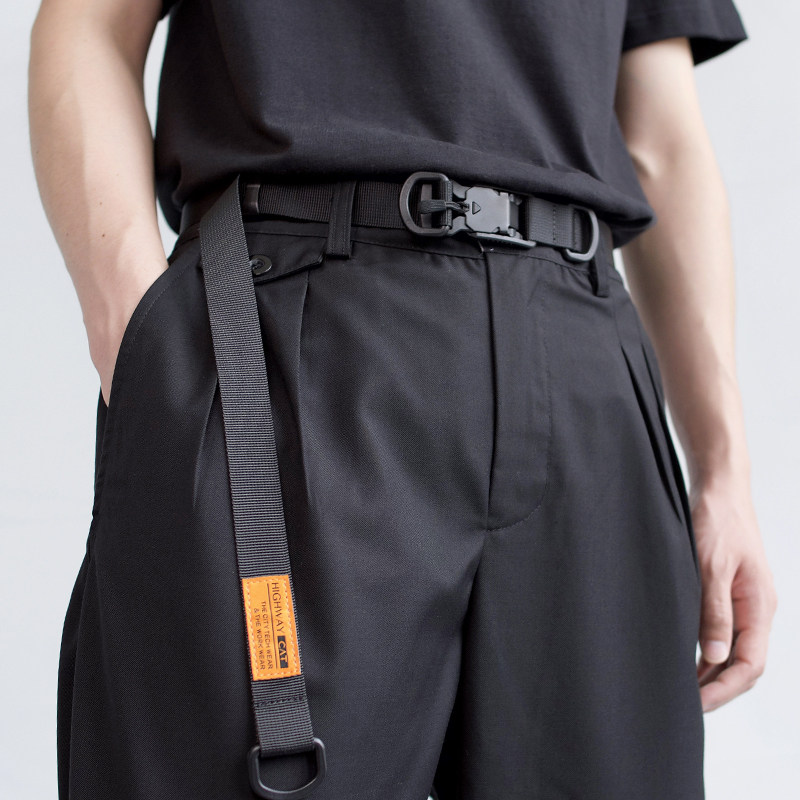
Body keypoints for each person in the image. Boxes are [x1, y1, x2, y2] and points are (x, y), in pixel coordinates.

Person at [29, 0, 777, 798]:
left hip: (584, 365)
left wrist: (725, 474)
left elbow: (663, 138)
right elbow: (88, 25)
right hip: (292, 346)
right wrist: (146, 354)